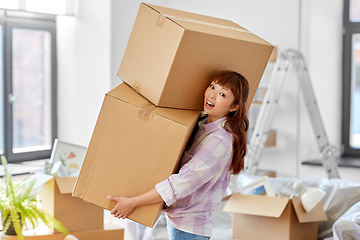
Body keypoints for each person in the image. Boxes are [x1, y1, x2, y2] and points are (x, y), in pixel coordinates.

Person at [107, 71, 250, 240]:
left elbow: (180, 184)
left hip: (189, 229)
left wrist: (133, 202)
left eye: (222, 94)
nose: (211, 94)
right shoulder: (202, 125)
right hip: (181, 224)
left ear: (234, 106)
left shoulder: (219, 142)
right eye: (212, 86)